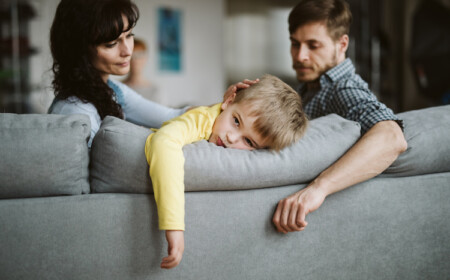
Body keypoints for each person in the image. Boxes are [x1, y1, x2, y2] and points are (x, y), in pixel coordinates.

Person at [272, 0, 408, 233]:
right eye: (295, 44)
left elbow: (391, 137)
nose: (300, 56)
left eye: (313, 45)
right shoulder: (309, 86)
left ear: (341, 44)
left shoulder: (343, 89)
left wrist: (318, 189)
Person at [145, 74, 308, 269]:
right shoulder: (201, 120)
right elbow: (163, 142)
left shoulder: (230, 121)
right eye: (236, 121)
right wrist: (174, 226)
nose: (231, 137)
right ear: (228, 101)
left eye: (248, 142)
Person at [47, 0, 252, 147]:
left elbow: (172, 116)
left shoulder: (113, 90)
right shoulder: (75, 112)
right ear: (80, 50)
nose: (128, 50)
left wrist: (225, 104)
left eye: (129, 36)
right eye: (112, 43)